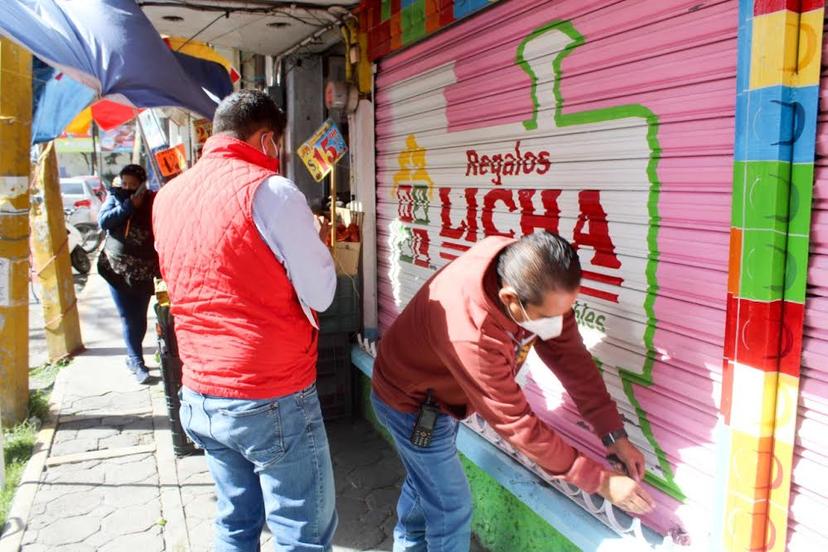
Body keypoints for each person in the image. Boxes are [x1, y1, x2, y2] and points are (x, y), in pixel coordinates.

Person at [372, 231, 656, 552]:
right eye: (548, 317)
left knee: (426, 482)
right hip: (411, 402)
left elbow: (572, 360)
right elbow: (517, 424)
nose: (556, 323)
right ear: (509, 299)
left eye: (565, 311)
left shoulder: (530, 272)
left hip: (443, 392)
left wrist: (613, 435)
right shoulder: (471, 332)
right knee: (450, 508)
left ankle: (407, 543)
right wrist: (599, 481)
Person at [152, 89, 337, 552]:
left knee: (236, 523)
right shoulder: (271, 192)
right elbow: (322, 293)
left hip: (199, 390)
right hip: (269, 392)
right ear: (267, 140)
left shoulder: (168, 196)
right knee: (302, 535)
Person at [97, 164, 159, 384]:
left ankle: (134, 356)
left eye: (134, 185)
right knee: (127, 316)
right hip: (116, 268)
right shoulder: (115, 198)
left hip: (142, 270)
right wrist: (128, 206)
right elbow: (104, 221)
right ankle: (136, 360)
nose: (128, 188)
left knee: (139, 317)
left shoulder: (153, 201)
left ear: (142, 184)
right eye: (125, 184)